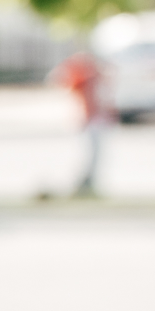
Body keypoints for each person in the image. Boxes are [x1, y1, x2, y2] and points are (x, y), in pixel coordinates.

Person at [56, 45, 110, 197]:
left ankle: (88, 182)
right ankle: (82, 183)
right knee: (85, 153)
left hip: (95, 119)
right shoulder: (82, 79)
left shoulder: (94, 79)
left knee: (95, 154)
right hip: (87, 120)